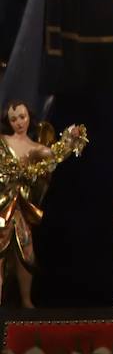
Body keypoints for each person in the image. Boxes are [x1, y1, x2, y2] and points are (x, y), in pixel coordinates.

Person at [0, 100, 87, 307]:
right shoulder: (3, 141)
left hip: (21, 205)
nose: (19, 122)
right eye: (14, 119)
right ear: (8, 122)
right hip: (2, 203)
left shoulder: (34, 147)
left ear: (29, 117)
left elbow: (55, 155)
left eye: (22, 117)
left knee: (25, 251)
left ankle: (26, 299)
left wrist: (71, 138)